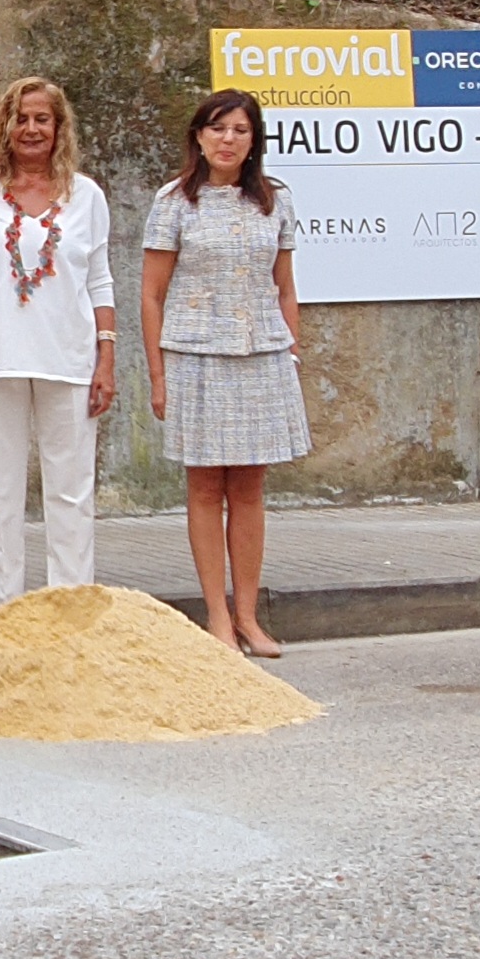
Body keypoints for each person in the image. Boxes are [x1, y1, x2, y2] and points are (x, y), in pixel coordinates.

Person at [140, 88, 309, 659]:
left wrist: (291, 350)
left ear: (253, 139)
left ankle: (249, 616)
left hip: (262, 354)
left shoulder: (274, 200)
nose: (227, 140)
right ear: (198, 136)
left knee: (251, 488)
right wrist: (158, 375)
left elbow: (285, 286)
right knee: (206, 486)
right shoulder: (173, 202)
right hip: (196, 356)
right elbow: (152, 294)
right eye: (217, 129)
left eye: (239, 130)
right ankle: (216, 615)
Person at [0, 77, 118, 610]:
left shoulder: (85, 195)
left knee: (71, 497)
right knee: (0, 501)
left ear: (59, 128)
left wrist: (106, 357)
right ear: (6, 124)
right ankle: (5, 618)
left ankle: (71, 617)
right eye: (22, 117)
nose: (32, 128)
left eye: (43, 119)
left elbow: (101, 280)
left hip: (70, 361)